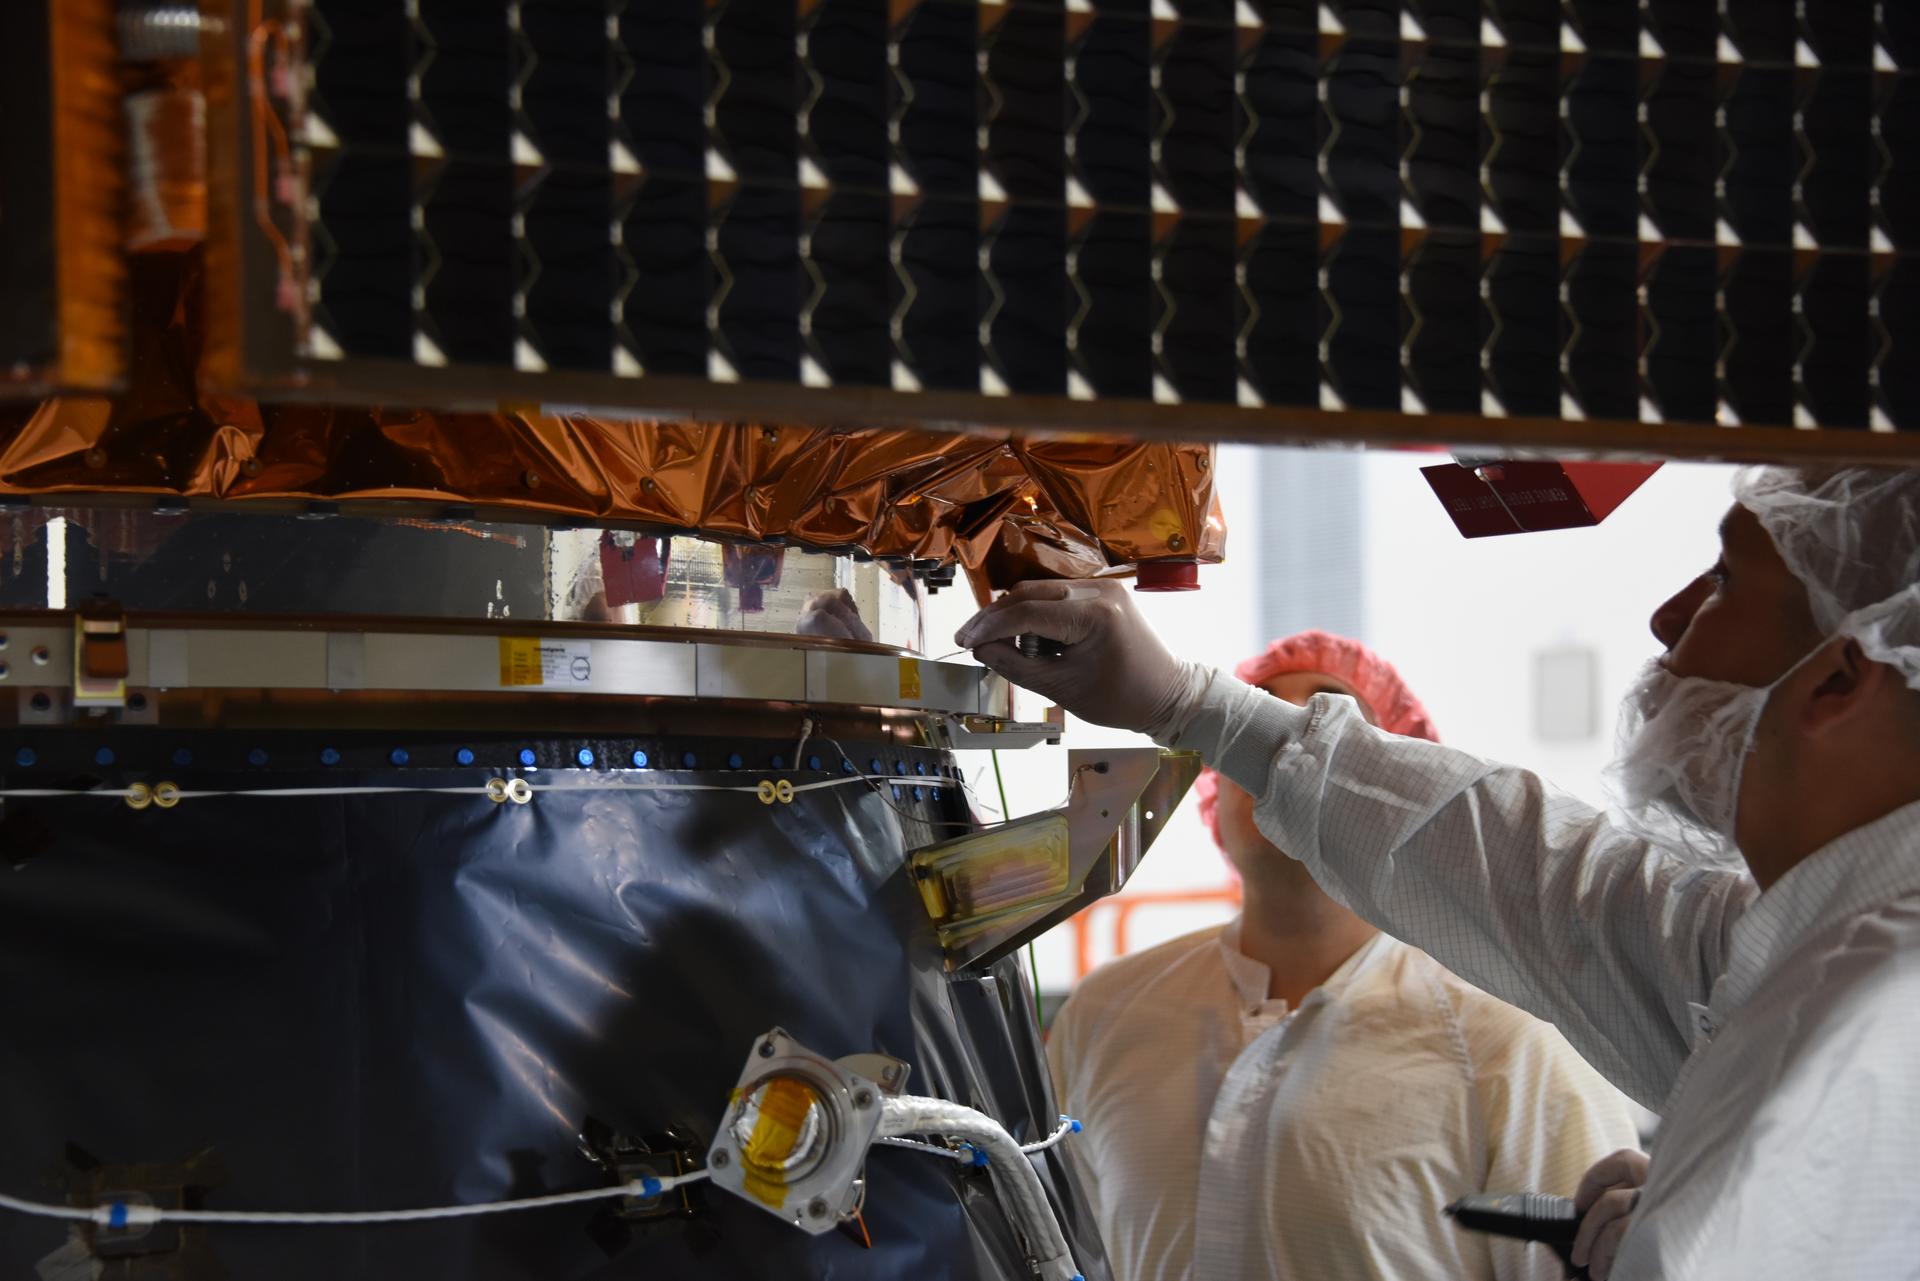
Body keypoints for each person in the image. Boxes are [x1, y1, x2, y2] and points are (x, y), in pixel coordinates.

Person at [960, 466, 1920, 1280]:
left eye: (1722, 581)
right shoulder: (1793, 955)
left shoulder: (1869, 1018)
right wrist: (1189, 702)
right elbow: (1534, 871)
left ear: (1843, 675)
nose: (1667, 619)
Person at [1046, 631, 1644, 1281]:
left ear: (1391, 789)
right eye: (1254, 718)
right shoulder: (1106, 1013)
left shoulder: (1511, 1034)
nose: (1281, 752)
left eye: (1328, 723)